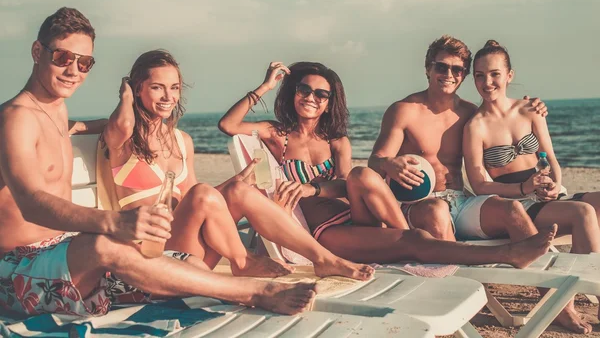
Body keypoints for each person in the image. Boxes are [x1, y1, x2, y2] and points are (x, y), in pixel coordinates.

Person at [0, 7, 318, 318]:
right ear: (37, 51)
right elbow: (31, 203)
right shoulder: (15, 118)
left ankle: (297, 261)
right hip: (18, 269)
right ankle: (255, 292)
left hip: (66, 259)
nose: (73, 71)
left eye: (85, 63)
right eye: (63, 58)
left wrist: (87, 125)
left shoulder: (57, 111)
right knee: (104, 244)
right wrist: (114, 222)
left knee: (188, 264)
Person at [218, 60, 557, 266]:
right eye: (304, 90)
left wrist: (311, 187)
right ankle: (506, 254)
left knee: (363, 175)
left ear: (329, 102)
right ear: (293, 92)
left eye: (321, 94)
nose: (311, 97)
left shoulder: (337, 141)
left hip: (355, 215)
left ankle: (416, 242)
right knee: (415, 241)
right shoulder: (277, 134)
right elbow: (229, 126)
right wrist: (265, 86)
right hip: (327, 231)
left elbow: (344, 184)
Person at [103, 49, 375, 283]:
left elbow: (191, 201)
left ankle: (322, 259)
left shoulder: (181, 141)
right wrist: (126, 93)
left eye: (174, 88)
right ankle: (242, 261)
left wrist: (236, 184)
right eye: (156, 87)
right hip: (149, 254)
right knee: (206, 192)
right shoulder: (121, 138)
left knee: (238, 190)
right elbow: (127, 123)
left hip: (187, 248)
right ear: (137, 87)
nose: (168, 96)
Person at [463, 39, 600, 334]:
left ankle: (586, 288)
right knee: (583, 213)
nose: (487, 82)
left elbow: (551, 157)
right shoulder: (475, 126)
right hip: (517, 203)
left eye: (495, 74)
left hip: (548, 196)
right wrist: (524, 189)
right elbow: (478, 184)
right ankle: (565, 305)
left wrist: (557, 185)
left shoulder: (530, 109)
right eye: (479, 75)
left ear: (509, 75)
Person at [359, 35, 548, 242]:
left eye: (457, 70)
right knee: (437, 210)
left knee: (510, 209)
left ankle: (537, 261)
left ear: (464, 75)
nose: (449, 75)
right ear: (428, 69)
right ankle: (454, 269)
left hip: (462, 200)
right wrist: (389, 164)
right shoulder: (404, 111)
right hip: (419, 204)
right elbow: (375, 161)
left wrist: (531, 108)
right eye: (441, 67)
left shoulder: (469, 113)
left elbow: (505, 125)